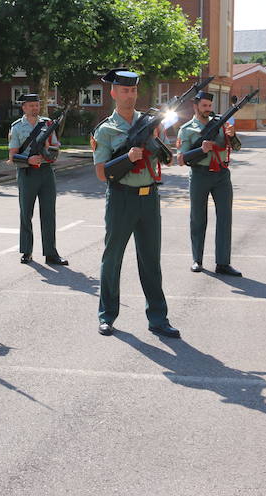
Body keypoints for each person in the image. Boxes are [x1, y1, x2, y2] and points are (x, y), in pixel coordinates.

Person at [91, 68, 179, 339]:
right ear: (113, 93)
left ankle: (158, 318)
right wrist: (128, 158)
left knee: (151, 260)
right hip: (121, 198)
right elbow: (102, 173)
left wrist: (156, 143)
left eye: (133, 90)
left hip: (149, 198)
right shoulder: (106, 130)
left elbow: (168, 159)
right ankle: (107, 316)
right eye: (124, 91)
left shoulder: (150, 123)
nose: (130, 95)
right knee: (112, 258)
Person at [176, 91, 242, 277]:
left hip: (222, 175)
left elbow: (237, 147)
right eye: (204, 106)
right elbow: (180, 159)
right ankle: (197, 259)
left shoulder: (220, 124)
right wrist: (200, 150)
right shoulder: (186, 129)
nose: (208, 109)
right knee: (198, 218)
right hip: (200, 175)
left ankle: (223, 263)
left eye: (210, 106)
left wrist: (232, 135)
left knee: (225, 218)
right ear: (195, 106)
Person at [7, 93, 69, 266]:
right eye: (31, 105)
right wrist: (29, 160)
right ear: (24, 107)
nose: (35, 108)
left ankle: (51, 253)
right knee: (26, 213)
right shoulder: (17, 127)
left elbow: (56, 148)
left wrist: (49, 150)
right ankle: (26, 251)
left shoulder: (47, 124)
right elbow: (12, 156)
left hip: (46, 172)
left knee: (49, 213)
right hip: (27, 173)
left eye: (36, 105)